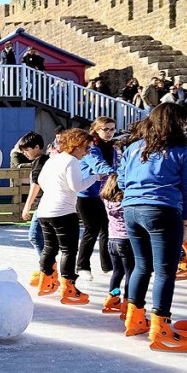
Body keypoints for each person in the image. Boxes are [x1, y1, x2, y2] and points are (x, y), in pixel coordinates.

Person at [119, 102, 187, 352]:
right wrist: (185, 220)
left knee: (142, 266)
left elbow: (121, 179)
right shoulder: (181, 150)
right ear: (177, 123)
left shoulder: (133, 148)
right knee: (165, 270)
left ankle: (134, 318)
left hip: (131, 210)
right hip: (162, 211)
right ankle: (161, 326)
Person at [35, 128, 100, 306]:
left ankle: (46, 279)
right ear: (76, 145)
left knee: (49, 247)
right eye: (86, 148)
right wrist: (95, 177)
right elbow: (76, 186)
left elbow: (40, 181)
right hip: (63, 211)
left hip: (45, 210)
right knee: (68, 250)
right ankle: (69, 287)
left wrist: (54, 189)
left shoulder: (53, 159)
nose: (87, 153)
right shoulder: (71, 161)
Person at [77, 117, 118, 280]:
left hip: (104, 194)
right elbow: (98, 165)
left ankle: (107, 264)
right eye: (105, 129)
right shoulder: (90, 148)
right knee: (91, 229)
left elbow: (113, 165)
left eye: (112, 129)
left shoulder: (111, 148)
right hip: (86, 194)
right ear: (96, 130)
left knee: (107, 229)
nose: (109, 133)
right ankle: (82, 265)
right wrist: (114, 174)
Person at [100, 173, 133, 317]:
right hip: (126, 241)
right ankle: (128, 301)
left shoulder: (107, 201)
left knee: (117, 272)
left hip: (112, 240)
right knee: (130, 273)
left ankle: (112, 297)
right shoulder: (125, 202)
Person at [18, 132, 49, 284]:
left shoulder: (40, 160)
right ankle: (46, 268)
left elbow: (35, 184)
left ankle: (48, 270)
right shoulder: (43, 160)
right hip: (46, 203)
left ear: (37, 147)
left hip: (43, 204)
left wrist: (27, 205)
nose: (25, 153)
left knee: (35, 236)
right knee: (43, 238)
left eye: (27, 150)